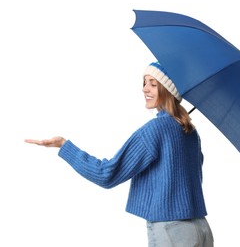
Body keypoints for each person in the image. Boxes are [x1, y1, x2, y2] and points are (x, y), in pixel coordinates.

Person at [25, 62, 214, 247]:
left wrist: (64, 146)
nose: (145, 89)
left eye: (153, 84)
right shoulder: (189, 131)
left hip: (171, 231)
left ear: (168, 90)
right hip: (201, 228)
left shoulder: (156, 129)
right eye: (144, 82)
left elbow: (106, 174)